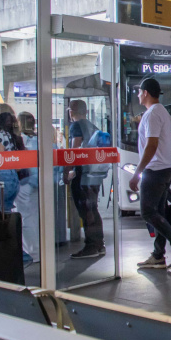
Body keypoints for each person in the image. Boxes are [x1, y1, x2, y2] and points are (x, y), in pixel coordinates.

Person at [132, 78, 171, 270]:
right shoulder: (160, 112)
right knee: (159, 214)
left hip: (155, 170)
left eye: (139, 92)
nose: (138, 95)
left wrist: (137, 173)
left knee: (147, 212)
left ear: (146, 93)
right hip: (165, 168)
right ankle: (158, 255)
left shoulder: (152, 114)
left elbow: (151, 145)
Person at [64, 99, 106, 259]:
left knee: (85, 209)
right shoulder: (92, 126)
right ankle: (99, 244)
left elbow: (74, 150)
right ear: (86, 111)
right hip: (95, 173)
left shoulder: (76, 126)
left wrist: (66, 170)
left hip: (83, 174)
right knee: (93, 208)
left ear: (71, 112)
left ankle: (91, 246)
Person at [16, 112, 40, 265]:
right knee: (35, 216)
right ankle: (38, 250)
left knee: (25, 218)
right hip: (38, 182)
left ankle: (33, 252)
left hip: (25, 183)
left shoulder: (21, 140)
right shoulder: (39, 139)